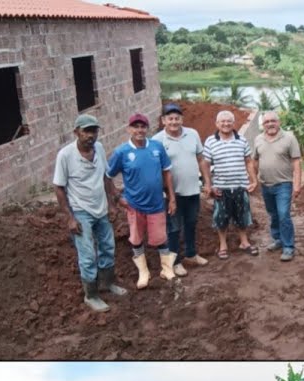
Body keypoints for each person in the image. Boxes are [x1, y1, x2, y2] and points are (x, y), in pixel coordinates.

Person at [53, 114, 127, 311]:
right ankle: (91, 295)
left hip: (101, 208)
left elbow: (106, 176)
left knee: (108, 247)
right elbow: (59, 187)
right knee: (87, 255)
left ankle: (107, 283)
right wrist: (70, 218)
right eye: (86, 131)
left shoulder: (100, 148)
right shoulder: (66, 155)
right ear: (76, 132)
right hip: (80, 212)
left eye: (94, 131)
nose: (90, 135)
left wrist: (112, 204)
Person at [106, 112, 176, 289]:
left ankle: (167, 268)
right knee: (136, 238)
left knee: (161, 237)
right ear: (129, 129)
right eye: (136, 127)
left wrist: (172, 198)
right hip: (134, 205)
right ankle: (143, 272)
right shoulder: (122, 152)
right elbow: (107, 176)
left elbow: (167, 172)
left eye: (143, 126)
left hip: (157, 203)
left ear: (147, 128)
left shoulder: (157, 147)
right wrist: (117, 197)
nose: (139, 130)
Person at [152, 102, 206, 274]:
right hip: (172, 194)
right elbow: (156, 169)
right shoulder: (157, 140)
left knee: (191, 223)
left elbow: (201, 159)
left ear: (181, 119)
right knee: (174, 229)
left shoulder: (193, 134)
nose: (174, 122)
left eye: (177, 118)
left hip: (193, 189)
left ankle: (191, 254)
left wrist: (208, 182)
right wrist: (164, 192)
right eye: (170, 119)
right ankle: (174, 262)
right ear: (164, 120)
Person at [200, 110, 258, 258]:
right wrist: (209, 184)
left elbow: (248, 161)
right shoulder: (210, 141)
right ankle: (223, 245)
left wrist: (253, 180)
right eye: (222, 121)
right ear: (217, 124)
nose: (226, 124)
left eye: (229, 121)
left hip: (240, 185)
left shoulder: (241, 140)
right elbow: (205, 164)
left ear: (233, 123)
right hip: (221, 187)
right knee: (221, 217)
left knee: (242, 215)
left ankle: (244, 242)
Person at [251, 110, 302, 262]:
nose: (270, 124)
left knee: (283, 214)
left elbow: (296, 162)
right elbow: (255, 161)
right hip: (266, 185)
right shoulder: (258, 139)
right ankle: (278, 239)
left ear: (279, 122)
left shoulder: (289, 138)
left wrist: (297, 185)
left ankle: (288, 246)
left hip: (284, 184)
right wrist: (254, 179)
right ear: (263, 125)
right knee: (273, 214)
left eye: (273, 121)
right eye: (266, 122)